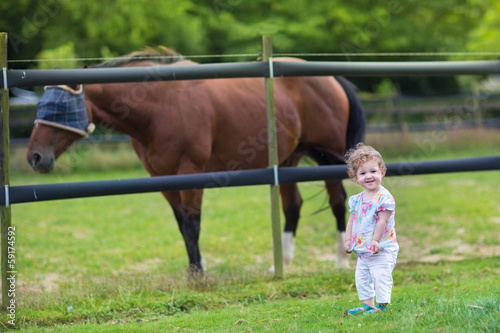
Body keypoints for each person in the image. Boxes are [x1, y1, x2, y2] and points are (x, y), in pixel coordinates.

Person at [343, 143, 399, 315]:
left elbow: (382, 221)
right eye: (363, 173)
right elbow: (351, 221)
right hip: (363, 249)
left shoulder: (384, 198)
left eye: (373, 171)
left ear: (382, 171)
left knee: (380, 275)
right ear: (355, 177)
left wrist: (375, 240)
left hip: (381, 248)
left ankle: (381, 306)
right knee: (362, 278)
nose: (369, 176)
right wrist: (348, 240)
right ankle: (367, 304)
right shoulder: (356, 200)